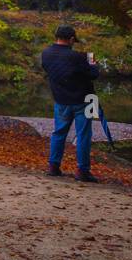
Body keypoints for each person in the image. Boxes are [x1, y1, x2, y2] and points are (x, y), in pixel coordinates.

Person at [41, 25, 101, 182]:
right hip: (84, 101)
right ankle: (82, 171)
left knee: (58, 133)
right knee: (84, 135)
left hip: (61, 99)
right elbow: (94, 75)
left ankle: (53, 166)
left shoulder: (46, 54)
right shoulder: (79, 57)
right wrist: (93, 62)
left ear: (57, 36)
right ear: (72, 39)